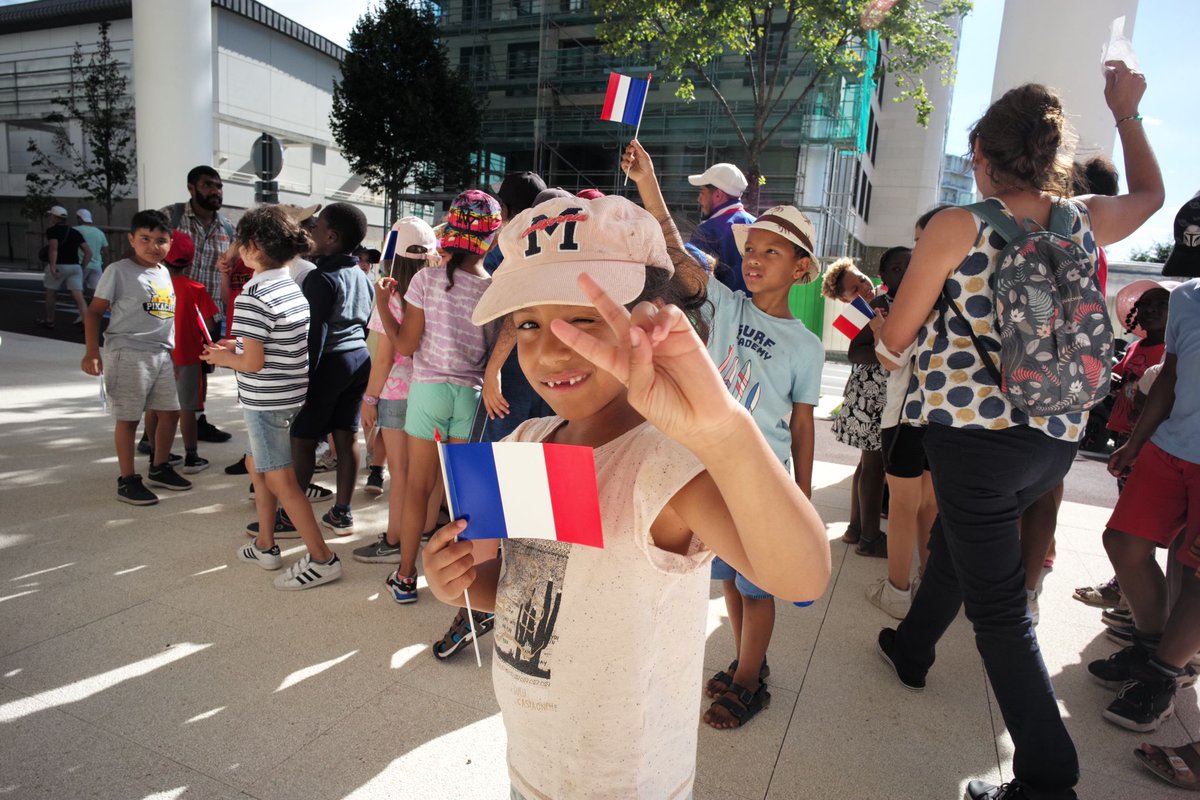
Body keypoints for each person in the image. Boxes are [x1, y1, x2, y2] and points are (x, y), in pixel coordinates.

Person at [422, 193, 830, 799]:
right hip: (531, 764)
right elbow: (518, 589)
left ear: (653, 319)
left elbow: (801, 578)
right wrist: (451, 578)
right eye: (528, 323)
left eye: (585, 318)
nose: (550, 348)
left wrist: (723, 432)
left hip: (628, 779)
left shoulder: (666, 465)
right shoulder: (530, 439)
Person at [875, 64, 1163, 800]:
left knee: (1000, 611)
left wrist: (886, 330)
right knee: (961, 552)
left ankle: (1046, 777)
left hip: (971, 438)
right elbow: (1152, 197)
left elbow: (899, 339)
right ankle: (911, 650)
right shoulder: (1083, 221)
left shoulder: (956, 225)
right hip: (1055, 438)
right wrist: (1127, 112)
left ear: (981, 153)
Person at [624, 139, 824, 730]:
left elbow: (804, 427)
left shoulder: (806, 347)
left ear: (802, 269)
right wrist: (648, 182)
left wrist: (803, 501)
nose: (755, 259)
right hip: (706, 470)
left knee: (758, 588)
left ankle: (748, 680)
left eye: (771, 251)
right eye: (751, 249)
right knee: (732, 582)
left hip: (760, 482)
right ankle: (747, 662)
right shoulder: (728, 307)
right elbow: (673, 246)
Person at [200, 205, 343, 591]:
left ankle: (322, 558)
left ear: (250, 247)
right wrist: (237, 345)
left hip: (265, 400)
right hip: (288, 395)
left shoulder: (252, 296)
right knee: (257, 466)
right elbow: (273, 340)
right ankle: (265, 544)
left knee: (280, 479)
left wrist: (221, 356)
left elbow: (251, 361)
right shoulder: (292, 284)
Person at [374, 189, 502, 605]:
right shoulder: (493, 291)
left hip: (427, 394)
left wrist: (381, 301)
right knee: (460, 496)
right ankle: (465, 584)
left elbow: (406, 347)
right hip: (471, 398)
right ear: (492, 237)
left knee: (416, 488)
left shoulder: (427, 280)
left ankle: (406, 577)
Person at [1090, 265, 1200, 732]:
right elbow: (1171, 375)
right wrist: (1136, 442)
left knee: (1195, 566)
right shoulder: (1188, 296)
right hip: (1170, 445)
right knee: (1122, 542)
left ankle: (1162, 679)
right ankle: (1151, 647)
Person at [81, 210, 193, 505]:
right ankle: (127, 480)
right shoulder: (118, 271)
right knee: (129, 418)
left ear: (170, 244)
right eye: (145, 238)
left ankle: (159, 466)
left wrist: (172, 355)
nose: (153, 246)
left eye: (161, 240)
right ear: (131, 239)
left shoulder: (164, 272)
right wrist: (92, 351)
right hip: (128, 352)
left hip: (161, 355)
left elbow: (164, 319)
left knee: (169, 413)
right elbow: (94, 312)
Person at [276, 202, 375, 537]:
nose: (311, 232)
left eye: (317, 228)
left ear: (330, 237)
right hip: (359, 360)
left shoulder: (321, 278)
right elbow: (366, 325)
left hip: (329, 362)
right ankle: (342, 512)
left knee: (302, 438)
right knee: (346, 436)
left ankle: (290, 517)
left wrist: (302, 379)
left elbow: (314, 335)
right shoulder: (362, 276)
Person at [867, 211, 944, 620]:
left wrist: (882, 333)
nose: (916, 253)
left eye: (919, 241)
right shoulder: (959, 291)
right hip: (945, 415)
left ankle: (897, 592)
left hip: (905, 415)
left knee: (902, 506)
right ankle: (926, 585)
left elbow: (893, 361)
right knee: (929, 507)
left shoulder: (918, 294)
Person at [353, 217, 440, 565]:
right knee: (430, 474)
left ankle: (393, 540)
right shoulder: (441, 289)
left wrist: (369, 399)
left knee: (402, 476)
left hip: (397, 396)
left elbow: (386, 357)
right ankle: (422, 533)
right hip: (433, 390)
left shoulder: (390, 294)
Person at [161, 165, 235, 445]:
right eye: (208, 185)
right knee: (165, 371)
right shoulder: (171, 217)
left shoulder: (228, 227)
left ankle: (197, 421)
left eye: (218, 186)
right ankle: (153, 429)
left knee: (201, 372)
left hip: (207, 315)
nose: (215, 191)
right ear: (191, 188)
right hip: (169, 314)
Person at [824, 257, 889, 557]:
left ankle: (855, 528)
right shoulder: (859, 312)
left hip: (869, 392)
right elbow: (855, 354)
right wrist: (888, 350)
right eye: (853, 288)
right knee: (872, 464)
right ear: (843, 299)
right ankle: (868, 535)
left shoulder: (876, 301)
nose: (863, 287)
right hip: (870, 393)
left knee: (866, 464)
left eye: (861, 279)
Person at [141, 230, 219, 475]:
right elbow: (209, 323)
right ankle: (191, 456)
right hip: (187, 355)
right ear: (191, 260)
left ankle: (156, 453)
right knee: (187, 407)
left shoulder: (152, 286)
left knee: (154, 406)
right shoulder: (196, 288)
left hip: (156, 354)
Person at [687, 161, 756, 294]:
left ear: (718, 194)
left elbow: (691, 281)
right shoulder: (758, 225)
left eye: (702, 192)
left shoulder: (707, 230)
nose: (699, 199)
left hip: (719, 312)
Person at [39, 205, 92, 329]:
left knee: (51, 292)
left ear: (54, 217)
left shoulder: (52, 231)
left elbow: (53, 249)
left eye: (50, 215)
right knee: (79, 297)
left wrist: (52, 266)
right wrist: (82, 266)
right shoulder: (75, 232)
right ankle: (87, 323)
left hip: (60, 265)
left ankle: (50, 321)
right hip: (75, 267)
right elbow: (88, 252)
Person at [74, 208, 109, 294]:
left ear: (79, 218)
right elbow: (106, 252)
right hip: (97, 266)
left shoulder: (75, 230)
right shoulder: (99, 232)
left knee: (76, 291)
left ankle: (81, 306)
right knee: (96, 293)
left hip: (81, 264)